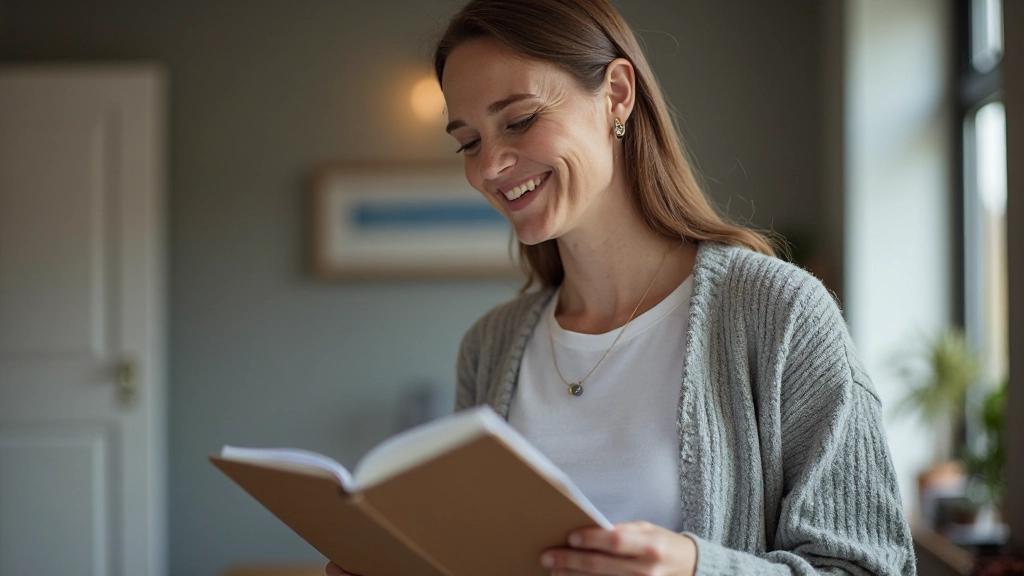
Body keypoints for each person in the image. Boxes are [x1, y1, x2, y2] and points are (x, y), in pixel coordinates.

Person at [330, 0, 916, 574]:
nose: (487, 168)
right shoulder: (489, 347)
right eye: (468, 141)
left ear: (616, 94)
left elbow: (872, 567)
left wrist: (695, 569)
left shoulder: (780, 313)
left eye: (520, 120)